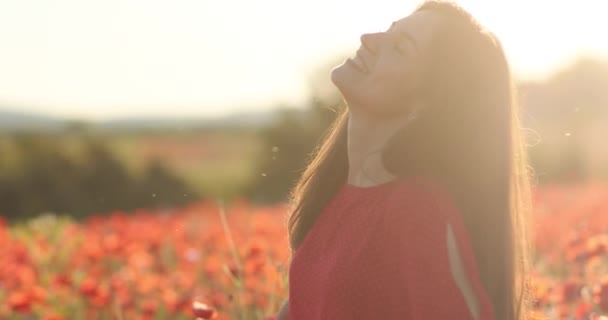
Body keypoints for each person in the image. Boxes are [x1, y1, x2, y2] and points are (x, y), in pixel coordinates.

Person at [276, 0, 535, 319]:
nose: (369, 39)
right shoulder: (335, 196)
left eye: (399, 48)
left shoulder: (416, 214)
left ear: (428, 105)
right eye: (388, 31)